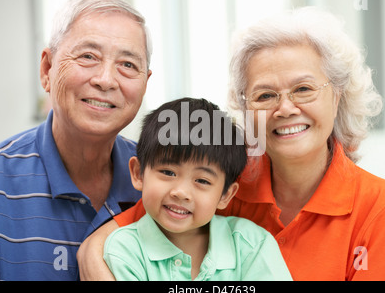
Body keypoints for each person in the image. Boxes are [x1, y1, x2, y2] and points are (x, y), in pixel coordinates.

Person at [77, 7, 385, 280]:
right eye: (265, 95)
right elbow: (127, 232)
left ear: (337, 98)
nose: (285, 109)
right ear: (245, 109)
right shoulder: (222, 180)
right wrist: (91, 255)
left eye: (303, 89)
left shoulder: (377, 208)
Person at [0, 0, 152, 280]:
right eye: (88, 56)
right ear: (47, 69)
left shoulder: (163, 182)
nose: (106, 79)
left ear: (145, 83)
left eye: (127, 64)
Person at [102, 97, 292, 281]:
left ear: (226, 195)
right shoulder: (124, 249)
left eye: (202, 180)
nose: (181, 192)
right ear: (138, 174)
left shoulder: (252, 244)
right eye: (168, 172)